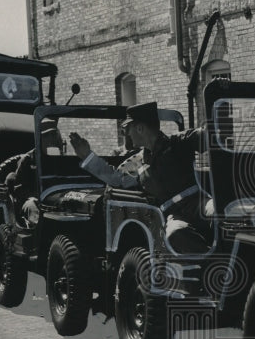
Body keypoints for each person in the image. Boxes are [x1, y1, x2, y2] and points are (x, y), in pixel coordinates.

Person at [69, 101, 211, 254]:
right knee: (174, 234)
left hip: (198, 202)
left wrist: (215, 99)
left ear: (140, 128)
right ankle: (213, 267)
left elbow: (209, 135)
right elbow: (116, 179)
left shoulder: (178, 143)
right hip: (172, 215)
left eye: (127, 129)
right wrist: (87, 156)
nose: (127, 134)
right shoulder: (137, 162)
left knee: (221, 212)